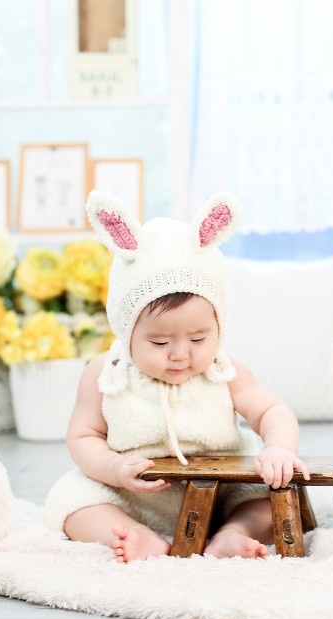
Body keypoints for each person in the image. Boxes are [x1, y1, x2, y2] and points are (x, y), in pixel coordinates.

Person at [44, 190, 309, 563]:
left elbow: (271, 411)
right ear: (126, 331)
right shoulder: (107, 376)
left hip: (223, 494)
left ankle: (232, 534)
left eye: (198, 339)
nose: (180, 354)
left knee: (271, 502)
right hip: (132, 495)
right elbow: (83, 436)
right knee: (72, 504)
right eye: (159, 341)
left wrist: (278, 448)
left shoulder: (224, 371)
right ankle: (138, 535)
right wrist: (114, 469)